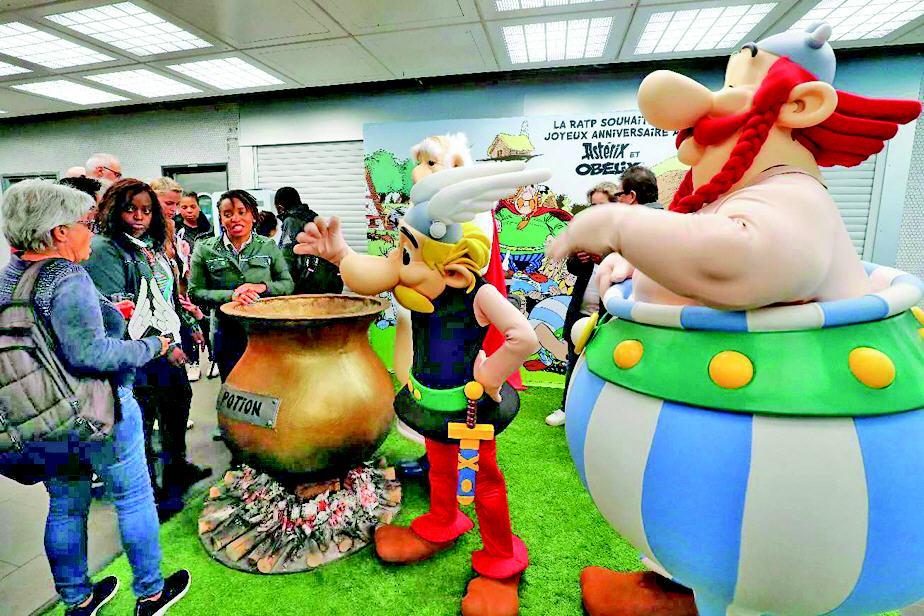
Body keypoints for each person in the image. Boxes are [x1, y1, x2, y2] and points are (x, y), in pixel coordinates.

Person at [0, 179, 190, 616]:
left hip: (45, 417)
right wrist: (152, 345)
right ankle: (151, 593)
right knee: (133, 497)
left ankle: (78, 600)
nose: (91, 231)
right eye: (84, 223)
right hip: (99, 411)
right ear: (58, 232)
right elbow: (91, 355)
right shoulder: (68, 277)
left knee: (65, 508)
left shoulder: (9, 277)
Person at [84, 179, 211, 521]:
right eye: (131, 209)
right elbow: (120, 312)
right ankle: (152, 494)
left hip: (164, 346)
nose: (139, 216)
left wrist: (187, 328)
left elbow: (165, 296)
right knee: (143, 422)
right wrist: (162, 346)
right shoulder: (106, 249)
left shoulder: (149, 245)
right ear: (114, 210)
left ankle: (176, 471)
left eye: (146, 210)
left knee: (177, 404)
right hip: (136, 356)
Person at [188, 189, 294, 383]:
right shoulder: (205, 249)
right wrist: (231, 296)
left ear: (253, 216)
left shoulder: (268, 246)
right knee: (232, 386)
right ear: (221, 219)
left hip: (264, 333)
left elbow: (287, 285)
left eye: (241, 212)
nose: (235, 218)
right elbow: (195, 292)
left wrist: (261, 287)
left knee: (265, 387)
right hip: (225, 333)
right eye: (228, 214)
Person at [544, 181, 620, 427]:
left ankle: (602, 416)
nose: (595, 211)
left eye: (601, 205)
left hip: (611, 315)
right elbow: (573, 268)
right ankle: (567, 408)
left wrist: (603, 257)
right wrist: (581, 258)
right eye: (592, 205)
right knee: (574, 361)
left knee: (607, 365)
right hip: (580, 311)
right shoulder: (585, 231)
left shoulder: (625, 232)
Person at [274, 186, 342, 294]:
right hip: (328, 281)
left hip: (308, 285)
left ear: (280, 208)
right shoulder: (313, 217)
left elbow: (286, 258)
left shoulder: (291, 221)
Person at [176, 191, 214, 381]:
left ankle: (214, 358)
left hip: (206, 281)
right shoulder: (175, 230)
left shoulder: (210, 229)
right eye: (184, 207)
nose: (189, 210)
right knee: (188, 320)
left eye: (192, 206)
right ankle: (193, 361)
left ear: (199, 207)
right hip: (184, 283)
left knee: (209, 318)